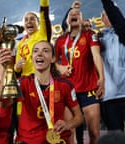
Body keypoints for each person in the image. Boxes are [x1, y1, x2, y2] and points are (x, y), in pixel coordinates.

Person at [0, 40, 83, 143]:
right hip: (28, 141)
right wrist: (5, 70)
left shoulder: (65, 85)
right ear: (32, 58)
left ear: (52, 59)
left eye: (45, 51)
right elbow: (4, 103)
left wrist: (68, 124)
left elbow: (79, 117)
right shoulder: (23, 83)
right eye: (35, 51)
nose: (39, 54)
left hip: (55, 139)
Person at [55, 7, 105, 144]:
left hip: (88, 89)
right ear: (66, 20)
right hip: (68, 92)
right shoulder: (60, 40)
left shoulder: (89, 35)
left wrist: (101, 78)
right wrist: (61, 67)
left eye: (78, 13)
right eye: (71, 14)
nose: (74, 15)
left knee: (94, 133)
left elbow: (96, 55)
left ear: (82, 20)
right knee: (69, 134)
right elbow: (52, 62)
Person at [99, 0, 125, 132]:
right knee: (115, 137)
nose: (109, 16)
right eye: (106, 14)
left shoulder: (123, 33)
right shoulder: (97, 39)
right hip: (110, 97)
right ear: (102, 19)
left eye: (111, 14)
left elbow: (117, 18)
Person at [14, 0, 51, 77]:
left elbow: (44, 15)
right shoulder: (21, 43)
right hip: (25, 80)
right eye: (26, 20)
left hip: (40, 77)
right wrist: (16, 67)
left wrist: (43, 2)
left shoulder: (42, 33)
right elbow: (17, 67)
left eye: (32, 19)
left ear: (38, 23)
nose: (29, 22)